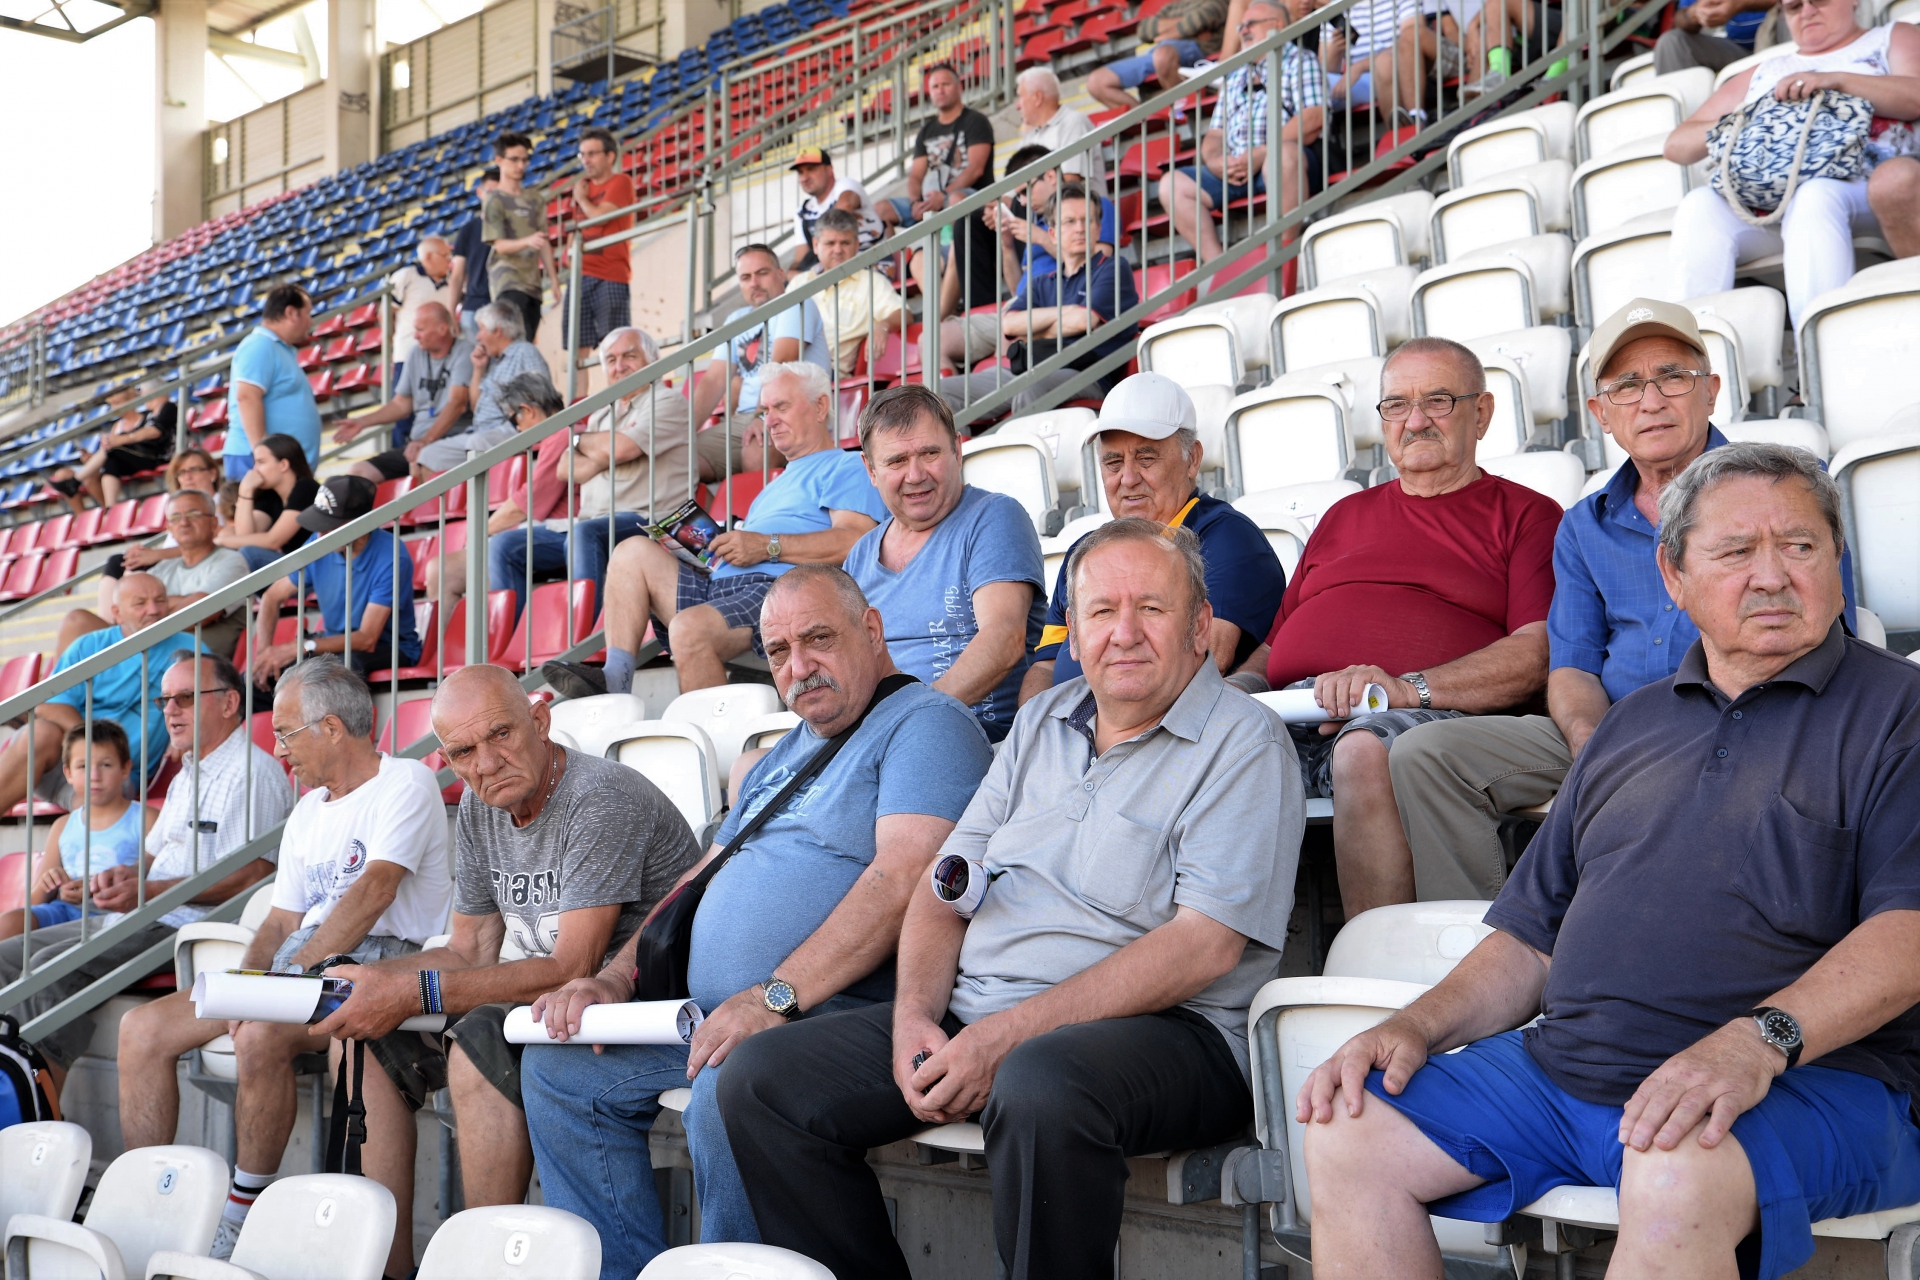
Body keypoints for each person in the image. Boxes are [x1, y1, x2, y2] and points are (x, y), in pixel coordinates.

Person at [1301, 441, 1920, 1280]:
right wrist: (1414, 1025)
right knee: (1348, 1127)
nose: (1771, 576)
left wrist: (1757, 1043)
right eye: (1736, 551)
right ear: (1674, 577)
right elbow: (1529, 941)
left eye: (1799, 546)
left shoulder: (1901, 713)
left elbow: (1907, 934)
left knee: (1673, 1168)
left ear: (1837, 563)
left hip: (1808, 1080)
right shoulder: (1631, 723)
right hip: (1568, 1071)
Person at [721, 522, 1304, 1278]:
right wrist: (913, 1018)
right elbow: (944, 886)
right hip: (986, 1016)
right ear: (1075, 634)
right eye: (1101, 612)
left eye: (1151, 609)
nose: (1124, 633)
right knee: (762, 1080)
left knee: (1038, 1083)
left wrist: (1005, 1038)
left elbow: (1204, 946)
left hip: (1174, 1033)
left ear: (1199, 627)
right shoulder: (1040, 722)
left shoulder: (1245, 741)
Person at [526, 565, 993, 1280]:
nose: (799, 667)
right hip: (719, 1013)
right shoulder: (787, 751)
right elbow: (699, 876)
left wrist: (773, 997)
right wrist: (617, 978)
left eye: (818, 639)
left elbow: (903, 879)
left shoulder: (926, 725)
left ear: (871, 630)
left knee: (732, 1081)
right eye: (779, 652)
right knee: (560, 1067)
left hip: (833, 1015)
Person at [1388, 299, 1851, 902]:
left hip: (1753, 717)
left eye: (1672, 377)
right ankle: (1481, 945)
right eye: (1626, 386)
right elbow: (1573, 665)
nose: (1650, 401)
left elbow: (1821, 623)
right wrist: (1593, 744)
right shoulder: (1584, 524)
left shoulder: (1787, 486)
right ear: (1601, 414)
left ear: (1711, 392)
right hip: (1616, 729)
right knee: (1425, 753)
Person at [304, 664, 699, 1280]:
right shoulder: (481, 807)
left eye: (501, 735)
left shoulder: (599, 797)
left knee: (476, 1042)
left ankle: (486, 1267)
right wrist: (377, 982)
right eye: (464, 752)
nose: (486, 763)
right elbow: (470, 949)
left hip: (633, 1002)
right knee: (366, 1035)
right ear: (447, 759)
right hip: (553, 1000)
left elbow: (573, 966)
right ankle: (391, 1270)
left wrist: (412, 990)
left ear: (539, 722)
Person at [116, 656, 450, 1259]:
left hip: (375, 960)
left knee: (259, 1034)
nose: (278, 749)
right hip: (304, 962)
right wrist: (251, 982)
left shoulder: (405, 781)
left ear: (332, 728)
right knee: (141, 1029)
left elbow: (374, 892)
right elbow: (278, 922)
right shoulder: (307, 810)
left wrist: (282, 984)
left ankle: (240, 1213)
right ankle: (145, 1209)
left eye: (286, 733)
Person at [1246, 336, 1560, 917]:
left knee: (1365, 749)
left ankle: (1380, 960)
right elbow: (1271, 647)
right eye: (1397, 405)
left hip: (1421, 710)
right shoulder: (1344, 515)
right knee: (1183, 752)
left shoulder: (1526, 515)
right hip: (1295, 709)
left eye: (1437, 401)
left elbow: (1535, 652)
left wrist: (1403, 688)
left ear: (1481, 413)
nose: (1415, 421)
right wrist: (1230, 691)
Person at [0, 653, 290, 1093]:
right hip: (148, 912)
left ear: (230, 703)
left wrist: (149, 890)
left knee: (48, 967)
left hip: (189, 923)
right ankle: (12, 1081)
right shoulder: (186, 774)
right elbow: (151, 859)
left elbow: (253, 877)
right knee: (8, 954)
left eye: (185, 698)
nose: (169, 710)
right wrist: (118, 878)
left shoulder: (252, 774)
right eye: (164, 700)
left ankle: (40, 1101)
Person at [542, 362, 887, 699]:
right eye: (765, 411)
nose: (770, 420)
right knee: (631, 551)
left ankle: (713, 736)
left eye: (781, 407)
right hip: (720, 584)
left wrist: (766, 546)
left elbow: (854, 540)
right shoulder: (774, 486)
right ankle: (615, 679)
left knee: (688, 629)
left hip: (779, 591)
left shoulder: (847, 465)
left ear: (820, 406)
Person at [1024, 373, 1285, 700]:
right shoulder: (1087, 549)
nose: (1128, 478)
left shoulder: (1228, 539)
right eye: (1113, 462)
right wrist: (1036, 723)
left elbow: (1206, 663)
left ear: (1193, 460)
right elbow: (1045, 666)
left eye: (1146, 459)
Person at [1663, 10, 1920, 328]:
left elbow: (1915, 95)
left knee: (1814, 195)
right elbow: (1676, 146)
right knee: (1699, 204)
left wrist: (1836, 80)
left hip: (1867, 187)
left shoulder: (1890, 37)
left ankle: (1821, 345)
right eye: (1795, 5)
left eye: (1819, 0)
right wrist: (1753, 115)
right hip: (1775, 200)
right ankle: (1687, 349)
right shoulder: (1765, 70)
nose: (1807, 10)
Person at [843, 386, 1045, 742]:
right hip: (880, 739)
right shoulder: (859, 556)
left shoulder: (993, 517)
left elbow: (1004, 638)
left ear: (957, 450)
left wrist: (910, 721)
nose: (915, 474)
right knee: (752, 764)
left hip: (974, 735)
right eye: (896, 461)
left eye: (930, 453)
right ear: (870, 469)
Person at [488, 330, 694, 619]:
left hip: (653, 520)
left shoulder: (666, 401)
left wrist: (602, 449)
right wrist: (604, 449)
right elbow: (566, 469)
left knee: (584, 533)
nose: (619, 366)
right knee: (504, 545)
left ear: (653, 360)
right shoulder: (601, 414)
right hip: (594, 524)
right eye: (611, 360)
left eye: (630, 356)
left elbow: (622, 449)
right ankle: (513, 638)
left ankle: (583, 633)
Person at [0, 572, 199, 819]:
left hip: (119, 772)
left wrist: (190, 727)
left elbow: (214, 697)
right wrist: (94, 742)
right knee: (38, 732)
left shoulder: (190, 647)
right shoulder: (89, 645)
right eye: (140, 603)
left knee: (97, 789)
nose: (154, 610)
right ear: (117, 613)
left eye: (160, 601)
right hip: (69, 760)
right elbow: (51, 705)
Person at [937, 184, 1141, 415]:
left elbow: (1084, 320)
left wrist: (1037, 329)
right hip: (1033, 369)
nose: (1080, 228)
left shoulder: (1112, 268)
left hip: (1086, 374)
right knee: (942, 392)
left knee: (1030, 389)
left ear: (1098, 228)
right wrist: (1068, 311)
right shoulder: (1042, 282)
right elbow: (1010, 324)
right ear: (1053, 233)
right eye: (1070, 221)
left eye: (1087, 220)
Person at [1161, 0, 1326, 265]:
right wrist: (1216, 161)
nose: (1244, 30)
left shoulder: (1300, 60)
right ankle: (1218, 267)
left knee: (1282, 157)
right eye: (1241, 26)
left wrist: (1264, 152)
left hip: (1281, 162)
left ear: (1277, 25)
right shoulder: (1236, 73)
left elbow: (1313, 118)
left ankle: (1282, 255)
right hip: (1235, 168)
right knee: (1172, 184)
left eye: (1251, 24)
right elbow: (1215, 134)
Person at [956, 149, 1121, 369]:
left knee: (1007, 351)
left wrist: (1041, 238)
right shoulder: (1037, 223)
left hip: (1058, 305)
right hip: (1021, 307)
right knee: (936, 340)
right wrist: (1006, 245)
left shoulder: (1093, 209)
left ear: (1051, 176)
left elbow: (1096, 262)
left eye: (1026, 191)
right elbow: (1017, 290)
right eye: (1019, 196)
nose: (1023, 202)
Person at [251, 476, 420, 687]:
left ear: (358, 524)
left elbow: (367, 639)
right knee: (256, 681)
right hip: (333, 644)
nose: (321, 535)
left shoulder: (392, 555)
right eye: (319, 526)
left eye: (328, 526)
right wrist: (264, 655)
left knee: (337, 670)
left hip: (388, 647)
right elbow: (272, 596)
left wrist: (301, 646)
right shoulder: (319, 541)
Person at [0, 720, 151, 941]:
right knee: (9, 923)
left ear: (125, 769)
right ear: (68, 773)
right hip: (64, 910)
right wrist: (50, 883)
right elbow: (36, 901)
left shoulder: (146, 818)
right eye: (83, 767)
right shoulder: (62, 826)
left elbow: (157, 875)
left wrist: (96, 887)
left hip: (116, 914)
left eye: (106, 765)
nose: (94, 776)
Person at [60, 489, 250, 660]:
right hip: (147, 649)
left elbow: (198, 612)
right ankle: (56, 688)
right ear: (169, 528)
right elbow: (127, 611)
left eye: (193, 514)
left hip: (189, 660)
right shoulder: (163, 568)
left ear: (214, 522)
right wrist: (179, 601)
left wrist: (150, 609)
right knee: (77, 622)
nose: (184, 522)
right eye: (176, 517)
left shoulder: (230, 561)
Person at [689, 245, 832, 437]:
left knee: (756, 447)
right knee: (681, 452)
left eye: (762, 273)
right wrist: (683, 433)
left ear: (781, 274)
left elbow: (781, 363)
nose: (754, 283)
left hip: (788, 412)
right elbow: (714, 380)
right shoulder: (735, 319)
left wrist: (761, 416)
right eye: (745, 277)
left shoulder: (795, 303)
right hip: (745, 418)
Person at [335, 303, 477, 485]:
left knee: (423, 461)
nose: (415, 335)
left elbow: (457, 403)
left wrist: (426, 441)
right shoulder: (415, 353)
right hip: (417, 444)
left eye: (420, 330)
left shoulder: (464, 351)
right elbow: (401, 405)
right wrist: (362, 422)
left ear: (442, 329)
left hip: (448, 442)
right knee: (358, 473)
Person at [786, 210, 905, 377]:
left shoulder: (871, 281)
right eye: (830, 243)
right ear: (815, 245)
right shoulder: (798, 283)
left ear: (857, 245)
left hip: (828, 376)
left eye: (845, 243)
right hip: (789, 368)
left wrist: (883, 325)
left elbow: (902, 312)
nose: (838, 250)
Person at [876, 63, 995, 229]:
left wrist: (944, 195)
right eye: (935, 86)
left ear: (959, 87)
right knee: (880, 210)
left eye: (945, 84)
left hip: (970, 195)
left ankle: (952, 247)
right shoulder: (926, 131)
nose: (940, 90)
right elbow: (915, 176)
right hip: (933, 197)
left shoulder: (976, 121)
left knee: (955, 200)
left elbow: (975, 169)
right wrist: (915, 203)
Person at [223, 284, 320, 479]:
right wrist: (263, 456)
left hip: (278, 465)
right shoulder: (260, 345)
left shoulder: (276, 348)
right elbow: (247, 397)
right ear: (291, 313)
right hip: (258, 462)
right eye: (307, 313)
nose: (311, 321)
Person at [562, 127, 636, 362]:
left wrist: (581, 199)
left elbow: (599, 217)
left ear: (610, 156)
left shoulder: (620, 181)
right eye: (582, 155)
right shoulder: (583, 187)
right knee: (577, 350)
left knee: (616, 345)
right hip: (581, 274)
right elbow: (577, 226)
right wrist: (569, 255)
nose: (586, 160)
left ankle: (618, 387)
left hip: (610, 274)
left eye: (592, 153)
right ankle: (579, 390)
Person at [451, 299, 551, 472]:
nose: (477, 337)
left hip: (513, 429)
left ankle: (484, 491)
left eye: (481, 329)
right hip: (480, 431)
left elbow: (543, 400)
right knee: (430, 455)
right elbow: (476, 407)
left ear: (497, 331)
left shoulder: (525, 351)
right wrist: (479, 369)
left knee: (477, 442)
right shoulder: (493, 361)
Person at [51, 384, 178, 512]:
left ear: (130, 401)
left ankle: (79, 486)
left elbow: (151, 438)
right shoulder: (117, 426)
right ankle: (102, 507)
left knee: (109, 454)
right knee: (102, 462)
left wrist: (120, 440)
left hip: (145, 458)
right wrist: (92, 458)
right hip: (120, 463)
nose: (114, 408)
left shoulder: (148, 418)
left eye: (117, 403)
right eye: (112, 404)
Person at [1087, 0, 1232, 111]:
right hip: (1159, 53)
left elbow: (1200, 19)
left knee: (1163, 55)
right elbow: (1143, 29)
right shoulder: (1173, 6)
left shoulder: (1218, 2)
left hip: (1197, 51)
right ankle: (1146, 122)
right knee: (1097, 82)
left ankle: (1183, 111)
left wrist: (1162, 34)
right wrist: (1183, 28)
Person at [484, 131, 554, 346]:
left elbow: (543, 242)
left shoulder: (535, 199)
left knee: (528, 342)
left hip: (533, 283)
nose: (520, 165)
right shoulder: (494, 199)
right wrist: (527, 241)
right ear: (499, 161)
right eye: (514, 159)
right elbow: (499, 245)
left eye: (524, 159)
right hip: (507, 281)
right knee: (514, 343)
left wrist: (554, 281)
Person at [215, 433, 321, 573]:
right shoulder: (270, 495)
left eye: (261, 462)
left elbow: (273, 541)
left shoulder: (306, 488)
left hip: (314, 567)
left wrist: (221, 541)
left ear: (283, 465)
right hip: (294, 569)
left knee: (250, 554)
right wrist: (245, 492)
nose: (254, 470)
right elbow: (245, 536)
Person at [788, 146, 883, 272]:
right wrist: (793, 274)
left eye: (811, 169)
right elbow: (800, 258)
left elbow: (845, 206)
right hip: (834, 270)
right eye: (800, 172)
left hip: (871, 263)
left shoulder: (845, 185)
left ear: (829, 170)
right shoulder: (803, 211)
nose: (804, 178)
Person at [1013, 67, 1103, 187]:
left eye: (1020, 96)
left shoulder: (1073, 122)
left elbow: (1070, 182)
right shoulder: (1029, 137)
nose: (1018, 106)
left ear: (1037, 98)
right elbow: (1013, 189)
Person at [388, 236, 454, 376]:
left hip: (442, 356)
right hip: (407, 354)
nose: (450, 260)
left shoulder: (453, 281)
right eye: (445, 255)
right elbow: (386, 314)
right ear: (428, 257)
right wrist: (392, 346)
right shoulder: (406, 276)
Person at [1656, 0, 1779, 74]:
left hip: (1782, 39)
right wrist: (1694, 13)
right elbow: (1680, 18)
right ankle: (1696, 112)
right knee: (1672, 41)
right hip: (1741, 51)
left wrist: (1740, 3)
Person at [448, 167, 500, 341]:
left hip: (503, 303)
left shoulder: (512, 226)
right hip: (474, 307)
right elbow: (457, 275)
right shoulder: (468, 230)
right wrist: (451, 311)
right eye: (490, 192)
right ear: (480, 193)